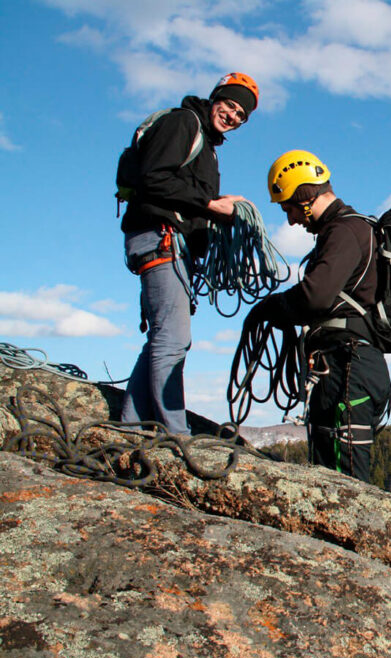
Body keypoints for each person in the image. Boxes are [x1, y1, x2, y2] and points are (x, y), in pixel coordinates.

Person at [121, 72, 259, 434]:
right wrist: (211, 204)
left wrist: (221, 213)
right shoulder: (183, 123)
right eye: (229, 106)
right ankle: (175, 434)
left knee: (163, 337)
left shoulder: (207, 147)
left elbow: (188, 199)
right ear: (216, 98)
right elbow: (154, 178)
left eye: (240, 116)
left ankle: (131, 426)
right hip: (160, 238)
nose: (232, 116)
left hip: (170, 244)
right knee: (173, 340)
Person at [245, 150, 391, 483]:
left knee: (346, 482)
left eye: (290, 208)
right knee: (333, 471)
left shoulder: (345, 231)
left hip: (347, 368)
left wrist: (271, 307)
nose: (292, 220)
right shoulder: (348, 230)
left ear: (305, 196)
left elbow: (315, 296)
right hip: (346, 365)